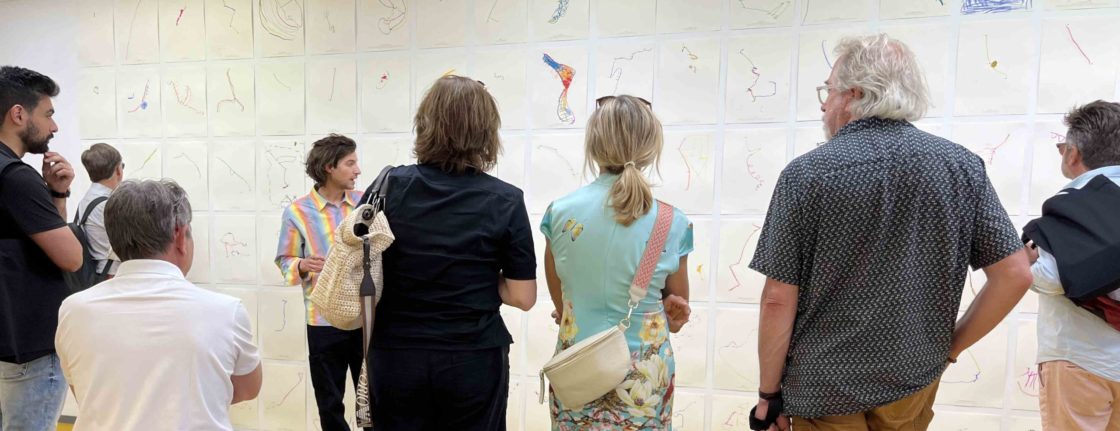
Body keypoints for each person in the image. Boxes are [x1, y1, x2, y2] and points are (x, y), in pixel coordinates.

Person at [748, 34, 1032, 431]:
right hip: (911, 382)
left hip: (822, 386)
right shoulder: (961, 167)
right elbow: (1015, 274)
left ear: (854, 94)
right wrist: (950, 348)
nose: (824, 104)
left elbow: (778, 299)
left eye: (828, 91)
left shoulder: (806, 175)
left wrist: (768, 395)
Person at [370, 75, 536, 430]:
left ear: (425, 123)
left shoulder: (388, 186)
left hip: (396, 354)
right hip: (473, 357)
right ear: (487, 132)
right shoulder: (506, 199)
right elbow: (523, 297)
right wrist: (481, 278)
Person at [55, 179, 261, 430]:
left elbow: (86, 392)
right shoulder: (226, 311)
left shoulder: (73, 310)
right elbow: (247, 388)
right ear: (180, 236)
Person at [541, 94, 693, 429]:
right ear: (651, 146)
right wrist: (673, 314)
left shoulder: (559, 214)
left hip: (576, 369)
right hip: (644, 379)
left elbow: (563, 307)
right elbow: (676, 314)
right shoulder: (671, 222)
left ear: (594, 144)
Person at [1024, 101, 1120, 430]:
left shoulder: (1074, 202)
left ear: (1073, 154)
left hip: (1080, 358)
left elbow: (1053, 277)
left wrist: (1024, 262)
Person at [0, 65, 81, 430]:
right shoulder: (16, 178)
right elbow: (71, 257)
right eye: (48, 114)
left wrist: (57, 194)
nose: (55, 126)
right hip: (31, 349)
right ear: (18, 114)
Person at [275, 134, 364, 431]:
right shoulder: (297, 212)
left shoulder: (365, 204)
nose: (357, 170)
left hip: (365, 318)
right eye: (350, 163)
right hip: (322, 321)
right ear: (329, 167)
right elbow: (284, 260)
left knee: (374, 400)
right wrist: (301, 265)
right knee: (329, 403)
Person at [75, 143, 124, 277]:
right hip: (110, 275)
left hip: (94, 273)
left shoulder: (87, 199)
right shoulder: (108, 205)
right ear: (118, 170)